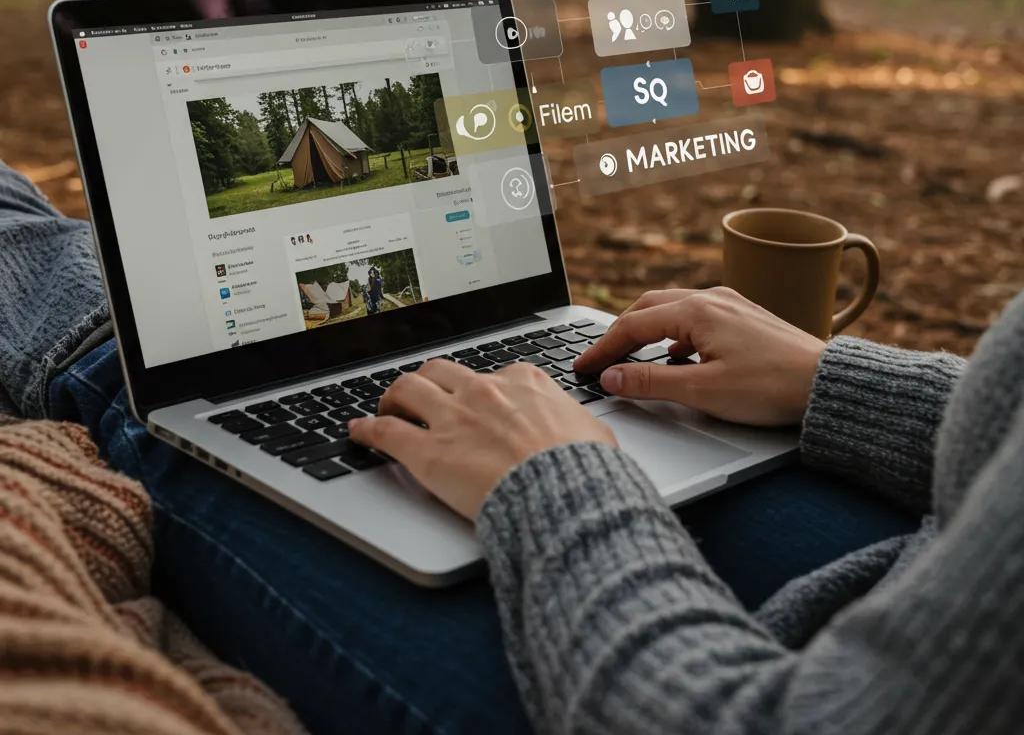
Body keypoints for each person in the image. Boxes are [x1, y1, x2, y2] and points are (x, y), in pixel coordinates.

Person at [1, 158, 1020, 734]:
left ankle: (80, 345)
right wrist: (842, 384)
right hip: (910, 585)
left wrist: (554, 481)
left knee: (88, 311)